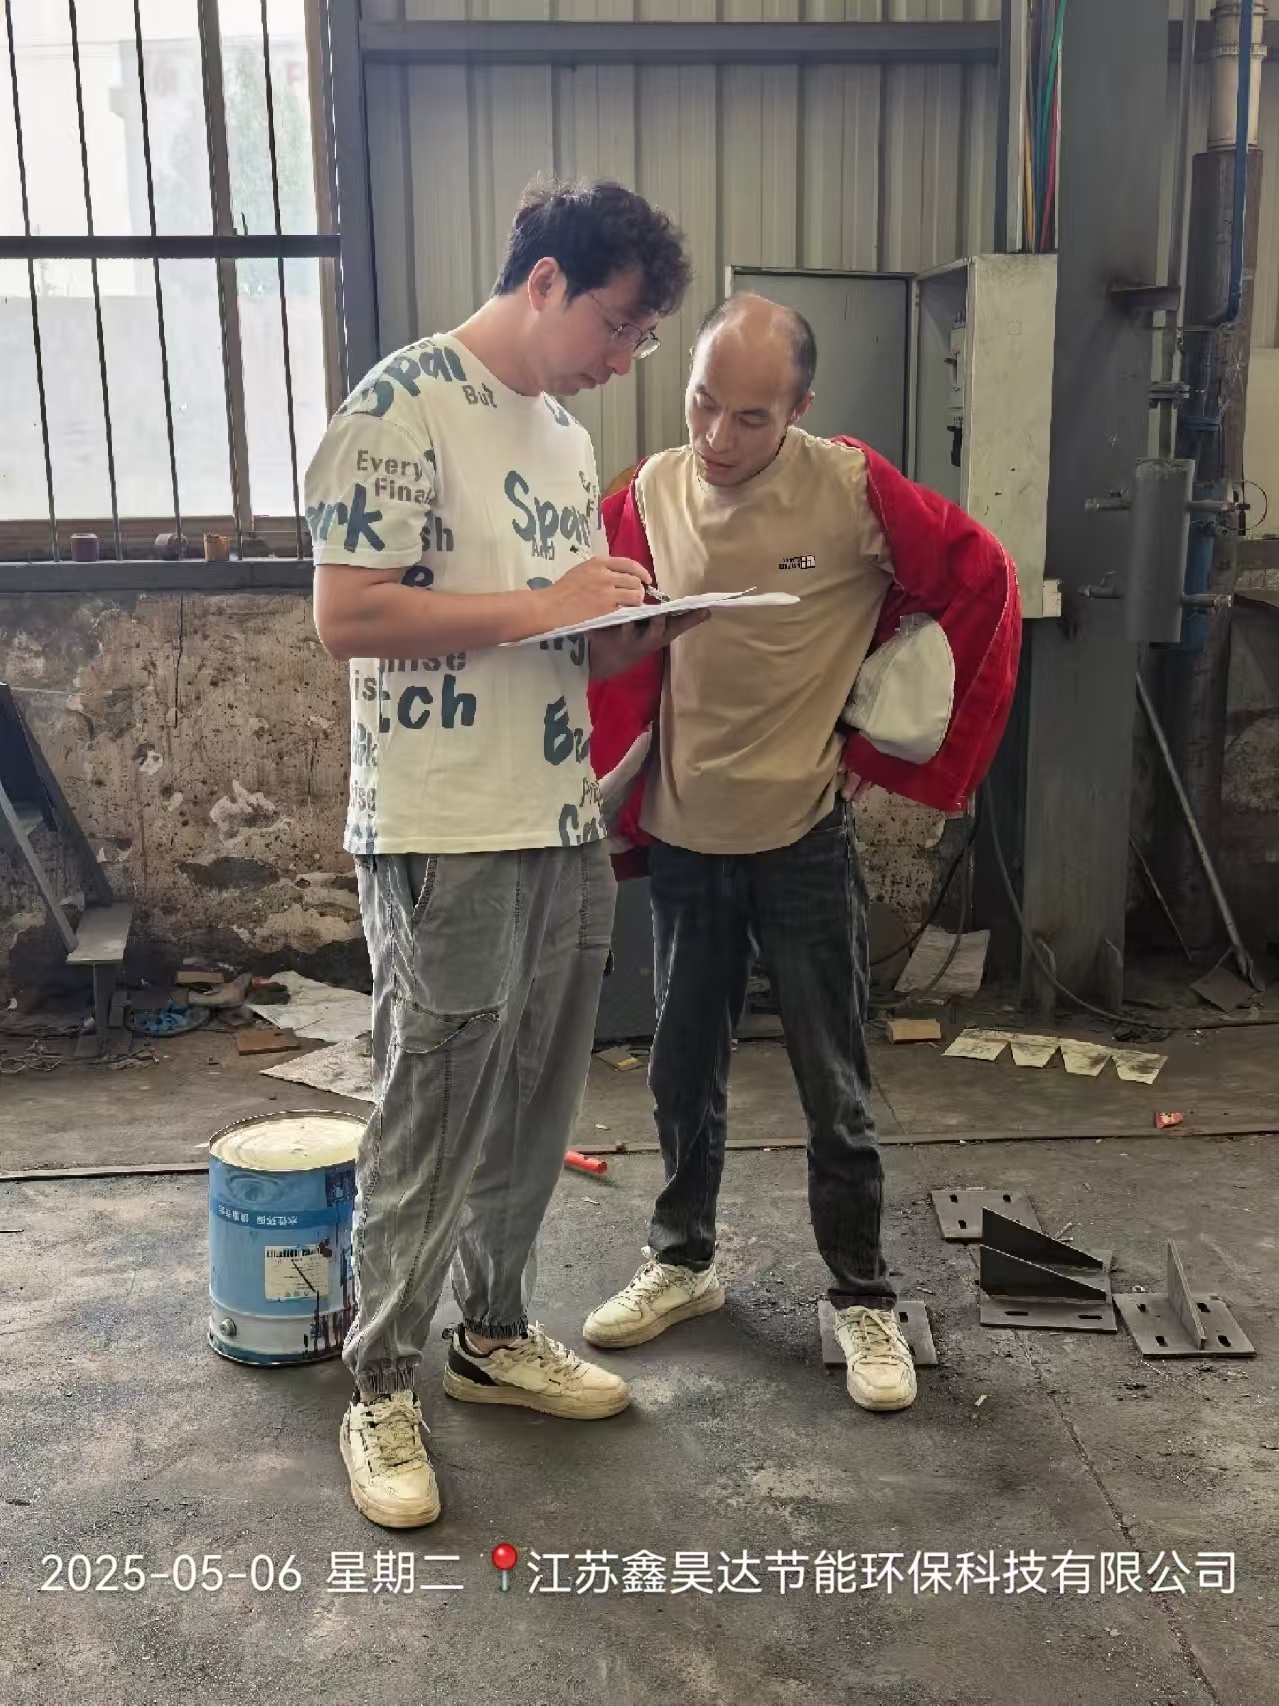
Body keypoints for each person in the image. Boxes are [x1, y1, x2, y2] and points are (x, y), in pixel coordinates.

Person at [304, 179, 696, 1528]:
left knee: (533, 1097)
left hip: (558, 813)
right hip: (443, 825)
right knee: (432, 1106)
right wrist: (544, 603)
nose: (623, 356)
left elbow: (551, 632)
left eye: (642, 336)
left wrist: (629, 631)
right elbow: (349, 615)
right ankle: (378, 1384)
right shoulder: (398, 407)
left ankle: (491, 1332)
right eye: (617, 323)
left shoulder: (568, 440)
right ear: (542, 280)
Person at [584, 293, 1021, 1414]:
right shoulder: (646, 493)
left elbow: (980, 577)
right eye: (702, 404)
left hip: (802, 841)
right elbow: (596, 644)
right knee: (681, 1069)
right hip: (685, 840)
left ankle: (862, 1295)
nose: (717, 438)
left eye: (750, 417)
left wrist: (883, 737)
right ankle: (682, 1259)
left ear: (800, 409)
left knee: (835, 1083)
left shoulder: (854, 492)